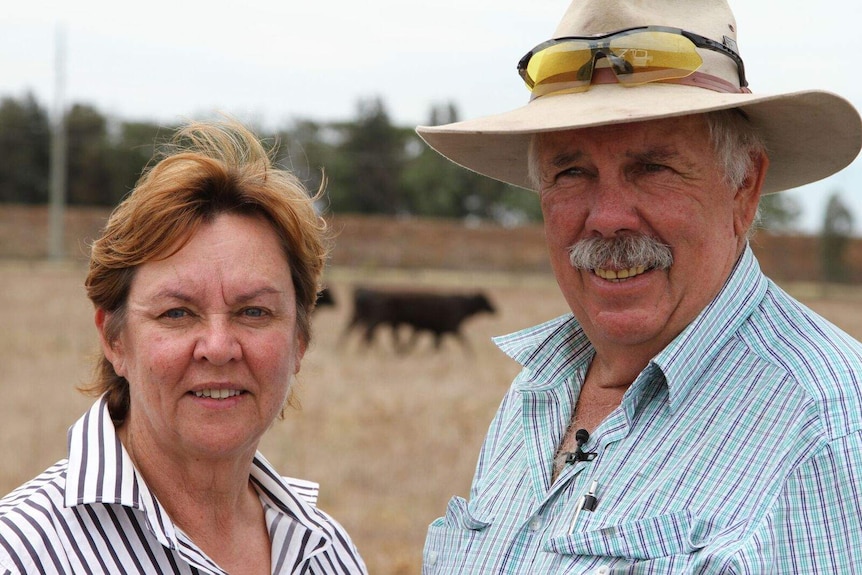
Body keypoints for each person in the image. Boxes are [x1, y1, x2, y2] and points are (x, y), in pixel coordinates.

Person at [417, 0, 862, 573]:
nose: (607, 217)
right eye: (571, 172)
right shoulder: (536, 394)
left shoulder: (828, 429)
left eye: (653, 168)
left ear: (744, 188)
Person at [0, 119, 367, 574]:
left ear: (299, 341)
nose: (218, 348)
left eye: (253, 312)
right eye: (177, 313)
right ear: (114, 339)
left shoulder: (327, 553)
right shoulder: (24, 554)